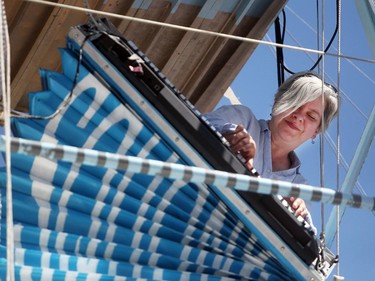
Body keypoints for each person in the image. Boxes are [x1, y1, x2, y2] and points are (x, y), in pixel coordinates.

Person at [204, 71, 339, 234]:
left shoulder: (299, 187)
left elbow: (306, 236)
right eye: (295, 104)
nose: (299, 116)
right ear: (277, 102)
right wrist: (230, 136)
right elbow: (205, 122)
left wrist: (298, 216)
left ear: (316, 132)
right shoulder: (244, 119)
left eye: (311, 116)